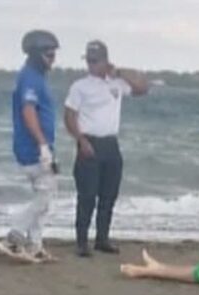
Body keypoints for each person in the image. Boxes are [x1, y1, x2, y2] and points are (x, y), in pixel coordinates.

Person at [64, 41, 149, 257]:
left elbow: (142, 88)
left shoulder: (117, 83)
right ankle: (82, 242)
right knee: (87, 195)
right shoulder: (80, 86)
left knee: (108, 195)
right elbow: (69, 116)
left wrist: (119, 71)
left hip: (111, 143)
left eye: (95, 61)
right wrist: (81, 140)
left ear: (105, 61)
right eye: (89, 61)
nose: (91, 66)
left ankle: (102, 238)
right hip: (90, 141)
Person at [0, 30, 60, 263]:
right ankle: (13, 236)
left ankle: (35, 245)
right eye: (48, 53)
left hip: (40, 146)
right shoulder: (30, 78)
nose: (53, 58)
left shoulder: (37, 77)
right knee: (44, 196)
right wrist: (42, 145)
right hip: (32, 147)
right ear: (35, 54)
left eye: (54, 54)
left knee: (47, 195)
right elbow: (28, 110)